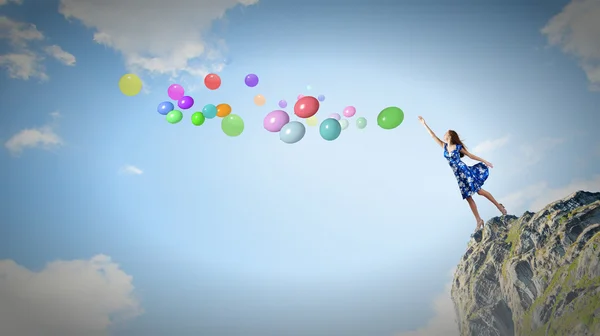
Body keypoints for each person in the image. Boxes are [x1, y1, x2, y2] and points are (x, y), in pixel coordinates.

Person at [418, 116, 507, 232]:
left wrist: (484, 161)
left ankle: (498, 206)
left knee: (479, 191)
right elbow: (432, 135)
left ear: (449, 135)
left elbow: (471, 156)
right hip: (458, 176)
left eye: (446, 133)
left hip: (464, 171)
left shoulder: (457, 147)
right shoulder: (444, 147)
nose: (443, 135)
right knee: (468, 198)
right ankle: (478, 220)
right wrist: (424, 124)